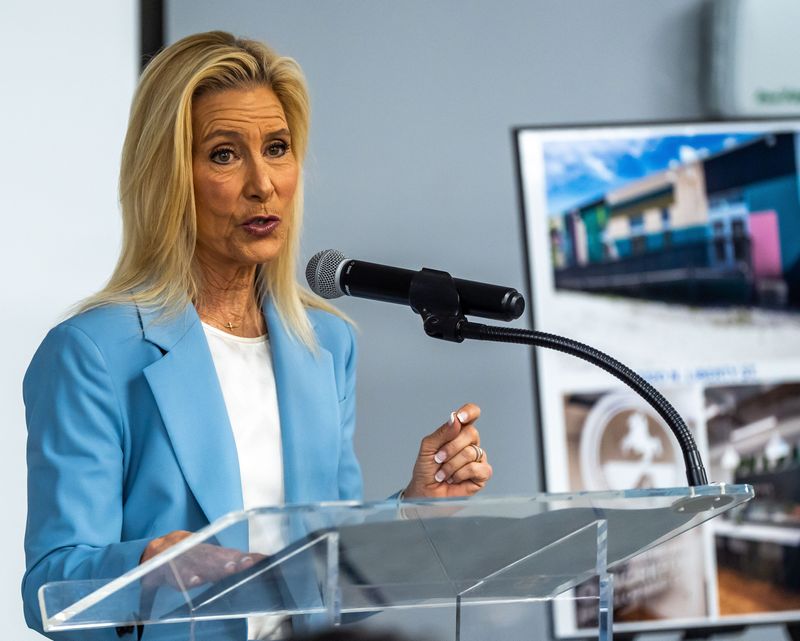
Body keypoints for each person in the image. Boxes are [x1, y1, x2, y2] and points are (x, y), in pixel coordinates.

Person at [22, 31, 492, 641]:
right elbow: (50, 590)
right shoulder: (92, 353)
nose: (263, 183)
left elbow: (330, 580)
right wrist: (150, 569)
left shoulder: (324, 344)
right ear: (168, 178)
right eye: (224, 154)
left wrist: (413, 507)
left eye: (277, 148)